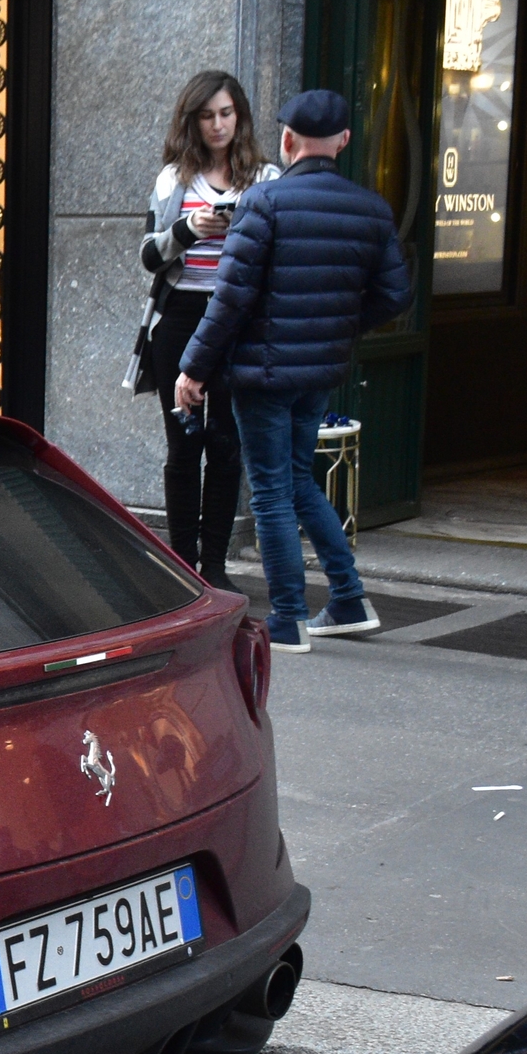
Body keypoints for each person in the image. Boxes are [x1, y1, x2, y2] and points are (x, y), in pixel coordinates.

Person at [177, 90, 411, 653]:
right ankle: (349, 598)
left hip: (263, 372)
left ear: (287, 140)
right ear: (344, 143)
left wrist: (193, 369)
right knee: (300, 480)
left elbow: (230, 301)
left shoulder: (265, 203)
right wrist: (338, 327)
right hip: (318, 370)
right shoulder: (371, 209)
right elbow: (395, 296)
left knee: (273, 492)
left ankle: (287, 616)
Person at [127, 70, 281, 588]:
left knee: (226, 444)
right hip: (181, 318)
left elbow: (279, 257)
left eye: (226, 114)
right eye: (207, 116)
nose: (218, 125)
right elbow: (150, 255)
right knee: (182, 446)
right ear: (192, 121)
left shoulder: (265, 179)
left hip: (238, 320)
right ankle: (180, 565)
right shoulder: (174, 179)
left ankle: (215, 567)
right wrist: (190, 229)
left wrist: (242, 228)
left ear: (240, 117)